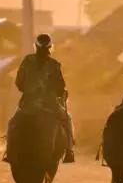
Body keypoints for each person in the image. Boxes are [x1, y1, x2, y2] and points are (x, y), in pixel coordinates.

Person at [5, 33, 75, 163]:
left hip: (28, 105)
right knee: (67, 120)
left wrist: (29, 89)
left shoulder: (27, 61)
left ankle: (8, 152)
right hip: (51, 105)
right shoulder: (54, 65)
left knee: (12, 124)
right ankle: (69, 151)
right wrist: (61, 93)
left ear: (35, 46)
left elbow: (19, 83)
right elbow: (61, 86)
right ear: (50, 47)